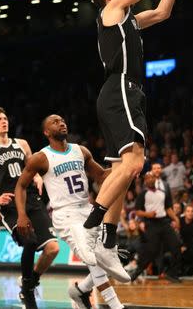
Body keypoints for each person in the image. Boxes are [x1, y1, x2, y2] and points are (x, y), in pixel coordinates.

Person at [82, 0, 191, 258]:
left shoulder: (128, 20)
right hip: (120, 89)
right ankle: (92, 226)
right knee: (132, 165)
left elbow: (161, 12)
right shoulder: (112, 8)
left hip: (124, 93)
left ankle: (110, 239)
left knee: (124, 170)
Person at [15, 114, 129, 309]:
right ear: (46, 132)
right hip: (65, 215)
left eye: (62, 120)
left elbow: (101, 175)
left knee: (105, 258)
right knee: (93, 259)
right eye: (54, 122)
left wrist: (125, 167)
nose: (61, 123)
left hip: (88, 209)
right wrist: (22, 214)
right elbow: (20, 186)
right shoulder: (40, 158)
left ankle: (80, 290)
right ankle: (116, 306)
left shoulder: (80, 150)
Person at [0, 107, 59, 309]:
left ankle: (29, 282)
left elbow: (33, 169)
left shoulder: (22, 144)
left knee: (52, 249)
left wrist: (39, 178)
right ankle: (28, 293)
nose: (3, 121)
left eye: (5, 118)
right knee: (30, 242)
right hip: (11, 205)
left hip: (31, 199)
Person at [130, 171, 182, 282]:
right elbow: (137, 211)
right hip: (151, 224)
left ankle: (172, 273)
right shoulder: (143, 194)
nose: (150, 179)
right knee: (150, 251)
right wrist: (147, 214)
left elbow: (168, 208)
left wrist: (175, 218)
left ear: (156, 179)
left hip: (164, 222)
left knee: (176, 245)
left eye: (152, 177)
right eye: (147, 178)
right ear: (145, 181)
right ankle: (136, 273)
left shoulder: (163, 193)